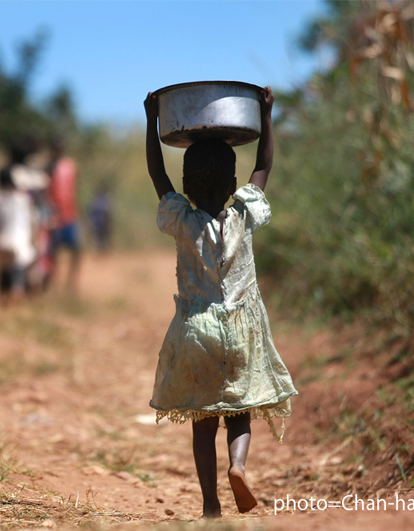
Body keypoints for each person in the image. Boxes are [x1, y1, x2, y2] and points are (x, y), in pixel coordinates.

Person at [143, 88, 297, 518]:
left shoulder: (181, 219)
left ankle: (211, 505)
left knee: (203, 421)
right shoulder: (245, 214)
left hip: (196, 332)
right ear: (233, 185)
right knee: (240, 411)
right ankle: (240, 465)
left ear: (187, 187)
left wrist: (151, 123)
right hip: (242, 330)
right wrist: (266, 114)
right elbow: (263, 164)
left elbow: (159, 177)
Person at [0, 144, 40, 306]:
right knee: (21, 266)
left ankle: (3, 298)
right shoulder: (22, 199)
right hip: (18, 244)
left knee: (3, 269)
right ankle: (17, 291)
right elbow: (34, 221)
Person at [47, 137, 81, 290]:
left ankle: (71, 283)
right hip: (54, 217)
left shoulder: (70, 166)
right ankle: (53, 283)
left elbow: (72, 190)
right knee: (53, 253)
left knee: (76, 249)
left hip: (70, 215)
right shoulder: (48, 168)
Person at [87, 184, 112, 252]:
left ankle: (101, 251)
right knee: (101, 238)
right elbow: (108, 214)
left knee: (99, 238)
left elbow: (90, 213)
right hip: (100, 223)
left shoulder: (95, 201)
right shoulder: (104, 201)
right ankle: (100, 251)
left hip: (98, 223)